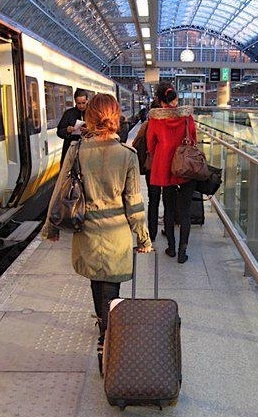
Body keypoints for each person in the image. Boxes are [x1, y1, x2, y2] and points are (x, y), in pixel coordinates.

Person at [42, 93, 152, 360]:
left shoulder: (77, 150)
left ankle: (104, 330)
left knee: (95, 278)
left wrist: (51, 227)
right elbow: (134, 203)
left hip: (87, 229)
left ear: (88, 118)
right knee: (112, 282)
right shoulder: (128, 154)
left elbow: (60, 191)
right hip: (117, 232)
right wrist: (143, 238)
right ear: (116, 118)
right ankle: (108, 333)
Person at [147, 82, 197, 263]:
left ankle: (171, 248)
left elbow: (151, 145)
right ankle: (183, 251)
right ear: (176, 98)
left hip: (166, 170)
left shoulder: (155, 119)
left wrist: (161, 153)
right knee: (185, 212)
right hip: (186, 169)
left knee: (168, 209)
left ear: (160, 101)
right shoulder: (187, 117)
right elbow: (194, 139)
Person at [132, 98, 162, 242]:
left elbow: (135, 143)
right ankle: (168, 232)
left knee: (153, 200)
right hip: (168, 168)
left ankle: (152, 232)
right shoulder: (169, 125)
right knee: (169, 201)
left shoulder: (146, 125)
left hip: (151, 167)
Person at [57, 89, 89, 166]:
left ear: (87, 100)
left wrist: (89, 130)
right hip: (70, 149)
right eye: (78, 103)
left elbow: (100, 129)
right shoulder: (68, 113)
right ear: (75, 102)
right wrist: (67, 130)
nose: (81, 106)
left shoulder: (92, 113)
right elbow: (59, 132)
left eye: (83, 103)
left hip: (88, 149)